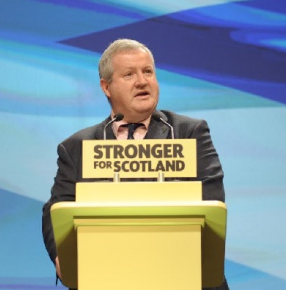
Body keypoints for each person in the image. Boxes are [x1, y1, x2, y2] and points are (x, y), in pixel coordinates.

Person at [41, 38, 227, 289]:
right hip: (106, 275)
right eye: (129, 74)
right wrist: (62, 255)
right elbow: (57, 208)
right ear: (106, 87)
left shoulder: (188, 133)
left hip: (182, 273)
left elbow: (210, 196)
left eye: (148, 71)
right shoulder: (77, 147)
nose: (142, 81)